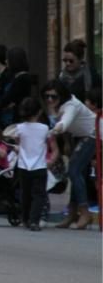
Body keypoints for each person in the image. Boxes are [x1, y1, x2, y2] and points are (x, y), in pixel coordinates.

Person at [42, 79, 97, 229]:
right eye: (47, 96)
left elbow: (64, 123)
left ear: (62, 95)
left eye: (54, 96)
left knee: (74, 170)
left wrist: (51, 132)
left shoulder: (71, 105)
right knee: (76, 173)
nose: (50, 99)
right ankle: (73, 213)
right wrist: (66, 142)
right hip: (80, 136)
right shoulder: (56, 106)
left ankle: (85, 213)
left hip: (94, 134)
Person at [13, 97, 57, 231]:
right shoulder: (45, 128)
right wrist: (51, 161)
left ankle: (25, 218)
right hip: (40, 166)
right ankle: (34, 221)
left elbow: (17, 144)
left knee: (25, 193)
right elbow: (54, 148)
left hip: (23, 165)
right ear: (39, 112)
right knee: (39, 195)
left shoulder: (19, 128)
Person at [0, 47, 33, 127]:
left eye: (8, 59)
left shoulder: (20, 78)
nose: (6, 62)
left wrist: (10, 104)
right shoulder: (23, 77)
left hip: (18, 118)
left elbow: (5, 100)